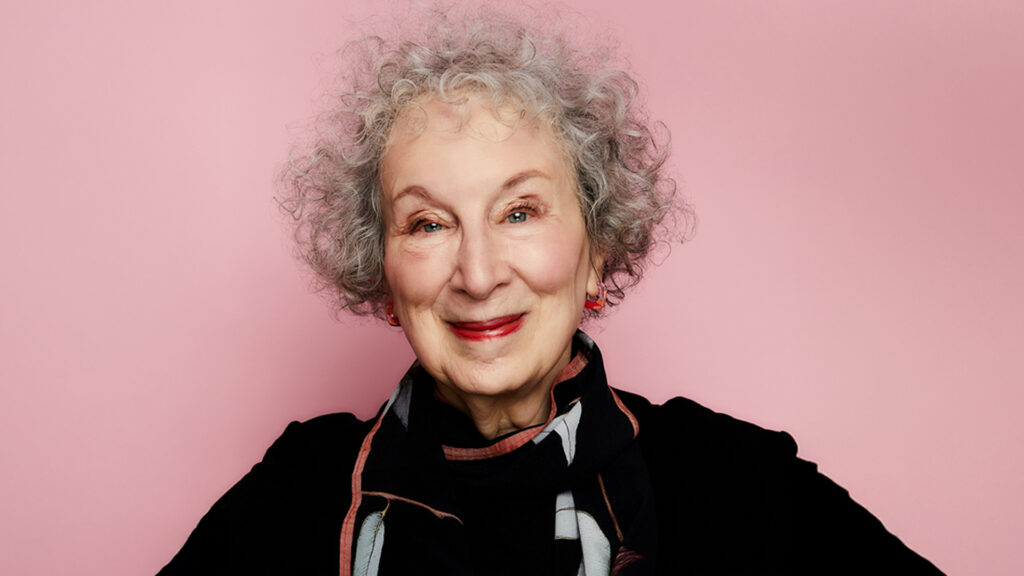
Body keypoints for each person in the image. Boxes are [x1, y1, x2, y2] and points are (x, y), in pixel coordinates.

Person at [160, 5, 944, 575]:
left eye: (520, 212)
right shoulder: (293, 494)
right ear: (385, 272)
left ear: (597, 252)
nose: (477, 273)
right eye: (429, 223)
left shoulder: (732, 482)